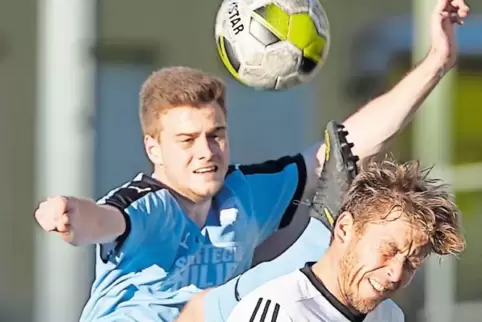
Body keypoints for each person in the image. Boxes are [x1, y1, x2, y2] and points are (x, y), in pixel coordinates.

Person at [33, 0, 469, 320]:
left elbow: (348, 146)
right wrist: (70, 215)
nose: (206, 151)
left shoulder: (245, 194)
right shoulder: (148, 205)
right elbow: (104, 220)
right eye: (186, 140)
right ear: (153, 149)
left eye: (216, 134)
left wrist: (437, 61)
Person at [226, 158, 465, 322]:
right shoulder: (280, 312)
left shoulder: (390, 316)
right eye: (388, 249)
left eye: (412, 263)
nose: (396, 273)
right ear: (344, 229)